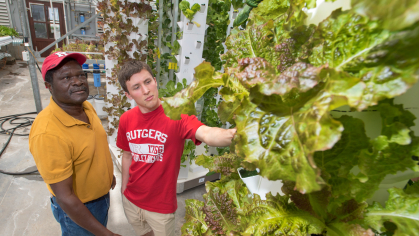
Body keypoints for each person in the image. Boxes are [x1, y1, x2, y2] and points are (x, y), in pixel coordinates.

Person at [116, 60, 236, 236]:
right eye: (136, 87)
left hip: (160, 207)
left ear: (155, 81)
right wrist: (124, 188)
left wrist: (239, 133)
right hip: (131, 200)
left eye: (147, 82)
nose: (146, 90)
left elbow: (208, 134)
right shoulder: (126, 119)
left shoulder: (176, 113)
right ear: (128, 95)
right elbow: (127, 155)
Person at [29, 52, 121, 236]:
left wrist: (106, 175)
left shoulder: (84, 106)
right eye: (66, 77)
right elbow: (65, 198)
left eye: (80, 75)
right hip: (79, 209)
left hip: (100, 197)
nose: (78, 81)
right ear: (49, 86)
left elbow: (94, 146)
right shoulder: (48, 133)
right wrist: (106, 234)